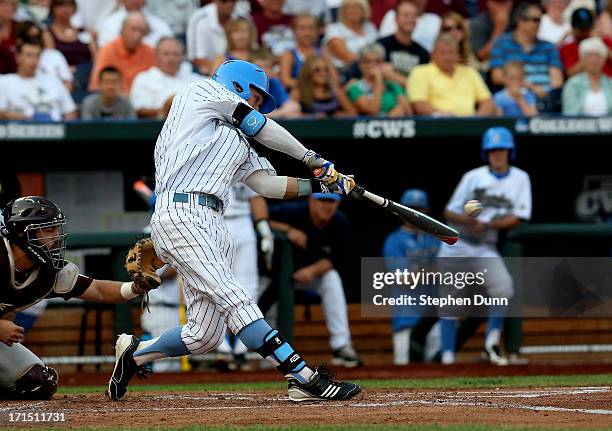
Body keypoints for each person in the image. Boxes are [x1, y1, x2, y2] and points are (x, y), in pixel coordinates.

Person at [105, 59, 361, 402]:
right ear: (237, 84)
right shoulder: (201, 92)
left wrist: (322, 187)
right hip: (180, 212)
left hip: (214, 221)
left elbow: (267, 185)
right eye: (256, 96)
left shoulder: (237, 141)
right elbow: (259, 124)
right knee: (235, 298)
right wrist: (312, 159)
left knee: (204, 336)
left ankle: (135, 353)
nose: (258, 104)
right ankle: (302, 377)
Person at [0, 196, 157, 399]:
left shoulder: (49, 273)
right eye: (48, 230)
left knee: (37, 382)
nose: (56, 236)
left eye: (57, 228)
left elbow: (98, 289)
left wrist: (136, 287)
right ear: (22, 232)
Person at [436, 127, 532, 365]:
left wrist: (487, 224)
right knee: (450, 302)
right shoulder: (473, 176)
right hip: (456, 244)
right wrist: (469, 221)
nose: (497, 154)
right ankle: (447, 358)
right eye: (492, 151)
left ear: (510, 151)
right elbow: (449, 211)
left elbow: (520, 216)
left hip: (484, 247)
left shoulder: (520, 178)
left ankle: (491, 345)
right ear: (486, 153)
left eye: (501, 150)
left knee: (504, 288)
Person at [269, 193, 362, 368]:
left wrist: (311, 271)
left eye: (331, 201)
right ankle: (267, 351)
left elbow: (336, 257)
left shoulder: (340, 222)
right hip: (275, 274)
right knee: (258, 291)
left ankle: (342, 345)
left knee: (331, 278)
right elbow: (257, 218)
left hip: (307, 275)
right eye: (322, 200)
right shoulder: (292, 211)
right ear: (311, 200)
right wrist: (287, 230)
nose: (327, 206)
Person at [216, 183, 275, 369]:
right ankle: (222, 347)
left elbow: (256, 197)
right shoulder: (204, 161)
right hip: (216, 221)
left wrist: (265, 230)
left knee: (249, 286)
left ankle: (241, 349)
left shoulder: (245, 157)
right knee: (216, 283)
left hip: (244, 223)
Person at [382, 189, 439, 365]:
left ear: (427, 211)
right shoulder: (394, 240)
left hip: (433, 319)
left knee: (440, 374)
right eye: (410, 208)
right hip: (405, 317)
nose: (414, 213)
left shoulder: (436, 238)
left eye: (419, 208)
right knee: (404, 372)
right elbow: (404, 279)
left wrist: (419, 270)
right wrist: (432, 271)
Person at [490, 3, 564, 101]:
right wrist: (529, 86)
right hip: (512, 100)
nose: (538, 24)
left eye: (540, 20)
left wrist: (546, 95)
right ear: (520, 21)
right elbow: (497, 76)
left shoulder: (549, 47)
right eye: (535, 20)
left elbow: (557, 82)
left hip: (544, 102)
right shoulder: (501, 44)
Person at [408, 34, 494, 116]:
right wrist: (438, 114)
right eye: (443, 53)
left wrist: (477, 121)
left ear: (457, 55)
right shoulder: (420, 72)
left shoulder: (469, 72)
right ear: (433, 54)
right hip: (437, 124)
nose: (447, 57)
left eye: (451, 52)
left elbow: (487, 100)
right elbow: (418, 103)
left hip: (470, 123)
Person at [0, 38, 76, 121]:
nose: (33, 60)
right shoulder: (4, 82)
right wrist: (17, 117)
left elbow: (70, 112)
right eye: (28, 55)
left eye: (37, 56)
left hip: (54, 129)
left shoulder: (53, 80)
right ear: (18, 57)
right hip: (19, 130)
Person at [130, 37, 199, 119]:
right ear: (156, 56)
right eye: (166, 54)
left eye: (176, 54)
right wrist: (168, 108)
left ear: (182, 56)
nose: (171, 59)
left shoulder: (194, 78)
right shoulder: (143, 79)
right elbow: (140, 110)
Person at [88, 12, 156, 93]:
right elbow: (96, 86)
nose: (137, 35)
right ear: (122, 29)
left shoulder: (150, 52)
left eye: (142, 31)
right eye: (133, 29)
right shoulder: (108, 50)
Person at [347, 43, 412, 116]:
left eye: (377, 61)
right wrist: (378, 81)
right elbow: (372, 111)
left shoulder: (392, 86)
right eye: (368, 61)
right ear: (360, 65)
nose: (372, 65)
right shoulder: (356, 87)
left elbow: (408, 112)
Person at [377, 0, 430, 86]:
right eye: (406, 16)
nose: (410, 20)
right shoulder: (381, 45)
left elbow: (424, 79)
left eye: (414, 16)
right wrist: (410, 83)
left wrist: (394, 76)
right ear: (396, 19)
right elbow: (379, 70)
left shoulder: (423, 53)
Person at [323, 0, 377, 75]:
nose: (353, 11)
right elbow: (345, 55)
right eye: (349, 8)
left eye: (357, 7)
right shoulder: (334, 29)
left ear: (364, 10)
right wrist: (370, 62)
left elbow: (378, 49)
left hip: (372, 69)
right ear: (343, 11)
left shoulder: (370, 27)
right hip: (346, 72)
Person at [292, 54, 357, 117]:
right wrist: (311, 117)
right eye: (317, 70)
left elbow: (352, 112)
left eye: (326, 69)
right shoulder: (299, 91)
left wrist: (338, 116)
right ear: (308, 72)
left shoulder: (335, 91)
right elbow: (291, 113)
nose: (323, 73)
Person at [187, 0, 240, 76]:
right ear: (215, 1)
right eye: (225, 1)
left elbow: (252, 50)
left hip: (235, 67)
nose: (230, 4)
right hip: (207, 71)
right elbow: (196, 57)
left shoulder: (242, 16)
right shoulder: (200, 18)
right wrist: (223, 72)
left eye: (233, 1)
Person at [562, 37, 612, 115]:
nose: (594, 60)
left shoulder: (610, 83)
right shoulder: (573, 84)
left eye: (598, 56)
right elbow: (569, 112)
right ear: (582, 60)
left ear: (604, 60)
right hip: (580, 126)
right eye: (589, 56)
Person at [96, 0, 172, 49]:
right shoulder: (109, 23)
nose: (135, 1)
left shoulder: (160, 24)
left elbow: (168, 48)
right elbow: (106, 49)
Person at [249, 47, 302, 118]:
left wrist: (267, 116)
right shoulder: (245, 84)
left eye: (267, 66)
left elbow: (294, 107)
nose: (263, 70)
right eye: (259, 66)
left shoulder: (273, 82)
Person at [560, 8, 612, 77]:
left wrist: (600, 44)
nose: (584, 32)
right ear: (573, 28)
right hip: (582, 86)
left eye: (587, 28)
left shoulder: (604, 41)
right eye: (581, 29)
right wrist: (590, 58)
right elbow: (570, 73)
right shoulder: (567, 48)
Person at [45, 0, 95, 69]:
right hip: (62, 75)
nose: (65, 9)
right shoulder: (47, 33)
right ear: (53, 8)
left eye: (69, 5)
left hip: (86, 73)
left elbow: (95, 57)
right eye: (60, 5)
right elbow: (51, 60)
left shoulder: (84, 31)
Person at [279, 14, 321, 91]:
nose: (307, 33)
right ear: (294, 31)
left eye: (311, 28)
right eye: (302, 28)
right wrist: (314, 85)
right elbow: (286, 81)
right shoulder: (289, 54)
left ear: (317, 30)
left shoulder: (323, 53)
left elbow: (334, 80)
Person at [469, 0, 513, 67]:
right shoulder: (477, 24)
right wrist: (499, 28)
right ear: (489, 3)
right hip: (489, 69)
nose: (502, 7)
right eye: (497, 3)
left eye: (505, 2)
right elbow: (482, 57)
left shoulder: (521, 21)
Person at [0, 0, 18, 74]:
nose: (9, 8)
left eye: (12, 5)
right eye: (4, 4)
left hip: (13, 76)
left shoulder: (19, 27)